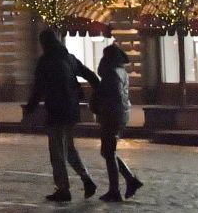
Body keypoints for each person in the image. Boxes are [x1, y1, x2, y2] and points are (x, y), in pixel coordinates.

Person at [23, 28, 97, 202]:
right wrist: (101, 92)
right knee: (69, 148)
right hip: (71, 110)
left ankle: (63, 189)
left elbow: (38, 88)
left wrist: (30, 108)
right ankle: (86, 179)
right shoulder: (69, 58)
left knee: (57, 151)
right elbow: (90, 75)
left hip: (56, 110)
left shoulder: (45, 61)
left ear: (44, 44)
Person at [90, 43, 142, 202]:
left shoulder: (111, 73)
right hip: (119, 115)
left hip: (112, 116)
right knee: (107, 151)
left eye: (104, 56)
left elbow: (110, 96)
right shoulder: (121, 71)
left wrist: (98, 105)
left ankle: (116, 189)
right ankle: (129, 181)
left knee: (108, 152)